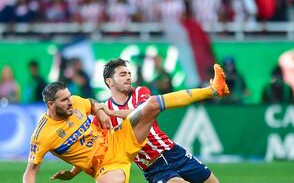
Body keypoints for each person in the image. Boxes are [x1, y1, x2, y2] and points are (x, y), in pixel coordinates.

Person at [23, 63, 230, 183]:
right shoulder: (43, 134)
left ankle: (213, 89)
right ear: (109, 81)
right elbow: (88, 145)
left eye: (129, 73)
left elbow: (131, 111)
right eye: (123, 74)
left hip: (163, 149)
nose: (129, 77)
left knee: (151, 104)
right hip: (137, 165)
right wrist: (73, 172)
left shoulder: (139, 93)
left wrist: (102, 109)